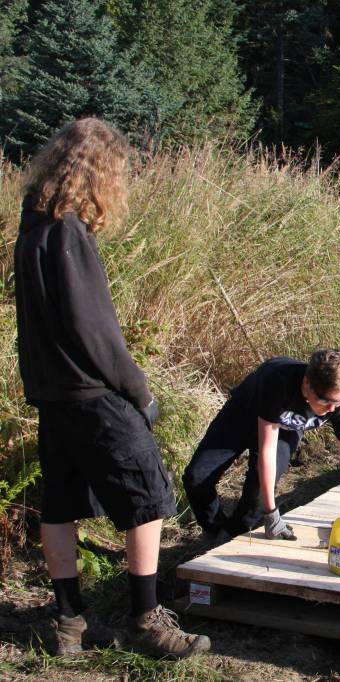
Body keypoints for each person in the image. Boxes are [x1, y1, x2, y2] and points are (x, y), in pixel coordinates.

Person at [14, 118, 210, 658]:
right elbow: (94, 331)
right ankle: (148, 622)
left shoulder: (31, 231)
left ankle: (68, 623)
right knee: (149, 497)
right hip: (94, 395)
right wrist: (139, 391)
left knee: (60, 504)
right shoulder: (67, 234)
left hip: (53, 396)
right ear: (97, 173)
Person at [183, 349, 340, 543]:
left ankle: (233, 534)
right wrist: (272, 513)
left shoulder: (339, 403)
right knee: (196, 478)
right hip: (243, 415)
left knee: (258, 493)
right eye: (326, 402)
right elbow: (267, 450)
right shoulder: (278, 381)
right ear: (307, 384)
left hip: (285, 428)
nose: (332, 409)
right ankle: (214, 529)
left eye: (339, 402)